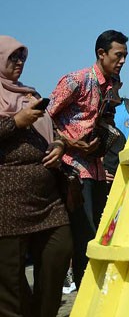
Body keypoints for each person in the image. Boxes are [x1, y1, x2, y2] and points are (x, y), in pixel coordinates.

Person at [48, 30, 128, 288]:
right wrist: (70, 141)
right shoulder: (76, 80)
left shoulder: (114, 84)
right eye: (119, 55)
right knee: (84, 236)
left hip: (97, 168)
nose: (123, 60)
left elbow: (106, 118)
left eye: (125, 55)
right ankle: (85, 292)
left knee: (96, 235)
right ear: (101, 54)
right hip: (71, 168)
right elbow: (44, 119)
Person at [0, 37, 72, 317]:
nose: (19, 63)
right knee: (10, 283)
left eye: (22, 58)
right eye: (13, 58)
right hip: (8, 202)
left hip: (47, 200)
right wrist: (16, 122)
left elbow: (55, 133)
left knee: (60, 250)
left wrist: (58, 146)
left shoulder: (28, 94)